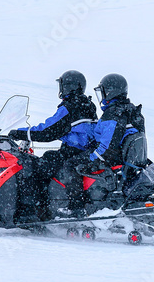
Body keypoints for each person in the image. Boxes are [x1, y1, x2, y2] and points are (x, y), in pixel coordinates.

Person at [7, 71, 97, 222]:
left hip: (72, 152)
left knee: (32, 167)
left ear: (68, 86)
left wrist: (19, 133)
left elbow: (47, 132)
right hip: (83, 150)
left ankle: (38, 211)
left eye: (62, 85)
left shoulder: (70, 107)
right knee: (48, 156)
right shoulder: (87, 104)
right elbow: (72, 130)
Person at [58, 73, 147, 216]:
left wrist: (92, 158)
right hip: (128, 161)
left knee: (70, 165)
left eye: (103, 92)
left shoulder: (113, 114)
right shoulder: (132, 111)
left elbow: (108, 146)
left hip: (112, 158)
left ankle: (76, 207)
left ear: (110, 91)